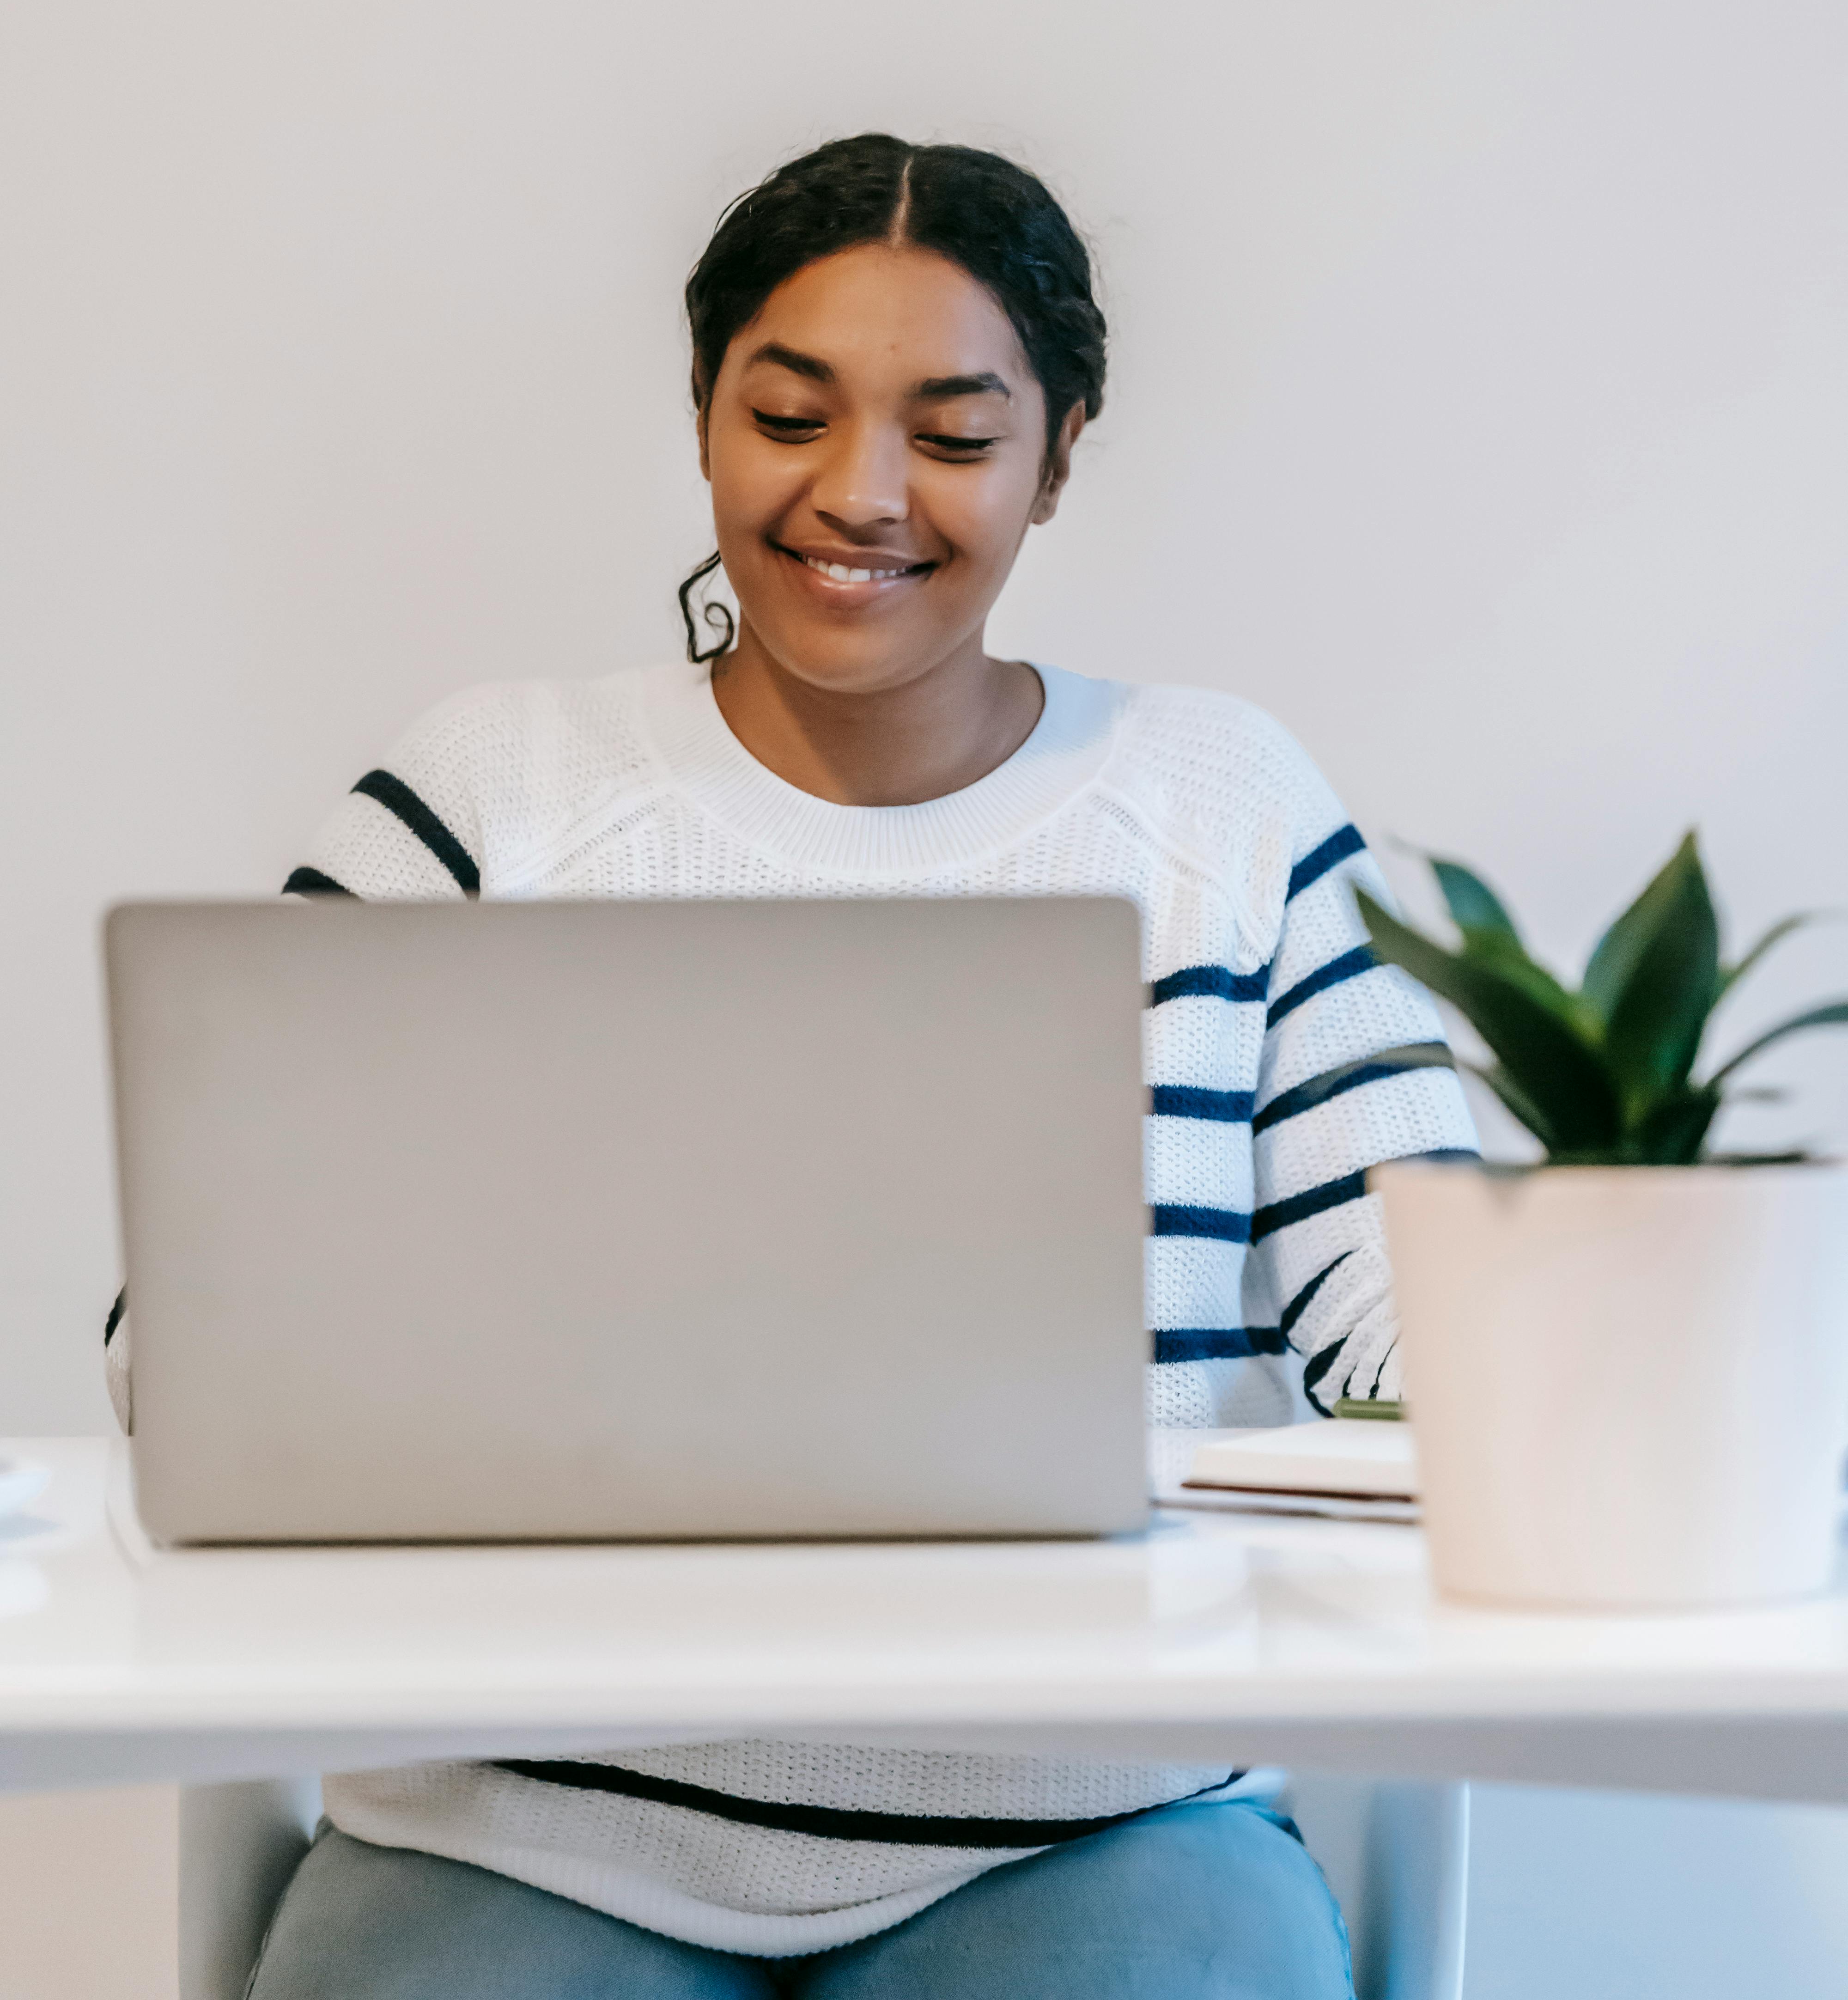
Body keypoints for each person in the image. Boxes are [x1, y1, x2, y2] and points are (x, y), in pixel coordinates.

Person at [109, 136, 1473, 1997]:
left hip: (1096, 1817)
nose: (862, 494)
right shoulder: (497, 794)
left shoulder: (1218, 808)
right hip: (531, 1821)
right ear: (699, 417)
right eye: (788, 413)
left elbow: (1436, 1324)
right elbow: (190, 1333)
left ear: (1059, 456)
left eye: (957, 432)